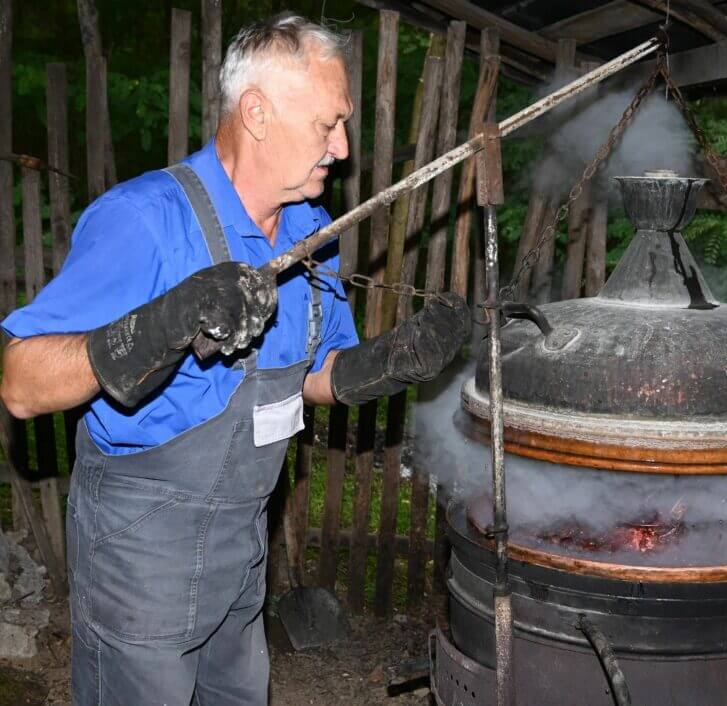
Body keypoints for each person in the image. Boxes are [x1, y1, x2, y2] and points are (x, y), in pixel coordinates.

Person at [0, 13, 469, 705]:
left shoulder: (312, 234)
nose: (342, 148)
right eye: (327, 124)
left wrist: (388, 363)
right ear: (256, 113)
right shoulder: (146, 220)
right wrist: (164, 322)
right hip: (140, 557)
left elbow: (311, 376)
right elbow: (20, 382)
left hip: (242, 547)